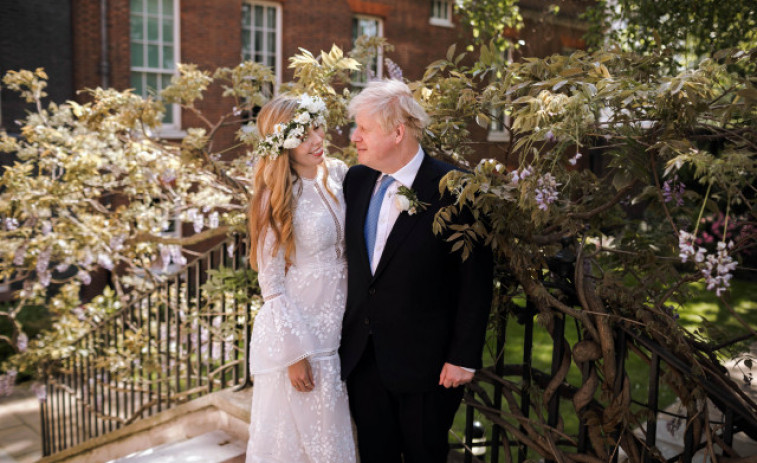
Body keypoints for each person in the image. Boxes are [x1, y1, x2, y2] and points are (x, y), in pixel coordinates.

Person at [339, 79, 494, 463]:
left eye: (363, 129)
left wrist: (463, 357)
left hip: (429, 367)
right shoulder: (356, 181)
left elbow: (475, 281)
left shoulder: (457, 189)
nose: (355, 137)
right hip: (364, 360)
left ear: (397, 132)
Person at [246, 94, 356, 463]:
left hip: (342, 322)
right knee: (303, 439)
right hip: (303, 332)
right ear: (282, 143)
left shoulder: (338, 174)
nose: (316, 140)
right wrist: (295, 354)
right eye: (303, 134)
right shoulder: (276, 196)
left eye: (318, 127)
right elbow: (272, 284)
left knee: (335, 432)